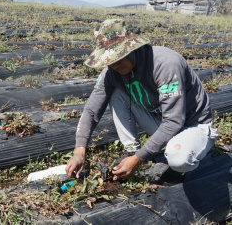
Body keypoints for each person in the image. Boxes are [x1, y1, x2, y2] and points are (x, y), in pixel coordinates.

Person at [65, 19, 218, 180]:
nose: (114, 64)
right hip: (161, 123)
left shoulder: (165, 64)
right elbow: (91, 110)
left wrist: (138, 159)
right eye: (109, 60)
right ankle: (130, 151)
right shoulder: (111, 72)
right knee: (117, 94)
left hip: (193, 126)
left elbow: (173, 121)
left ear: (131, 47)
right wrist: (79, 151)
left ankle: (180, 163)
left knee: (179, 158)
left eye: (118, 56)